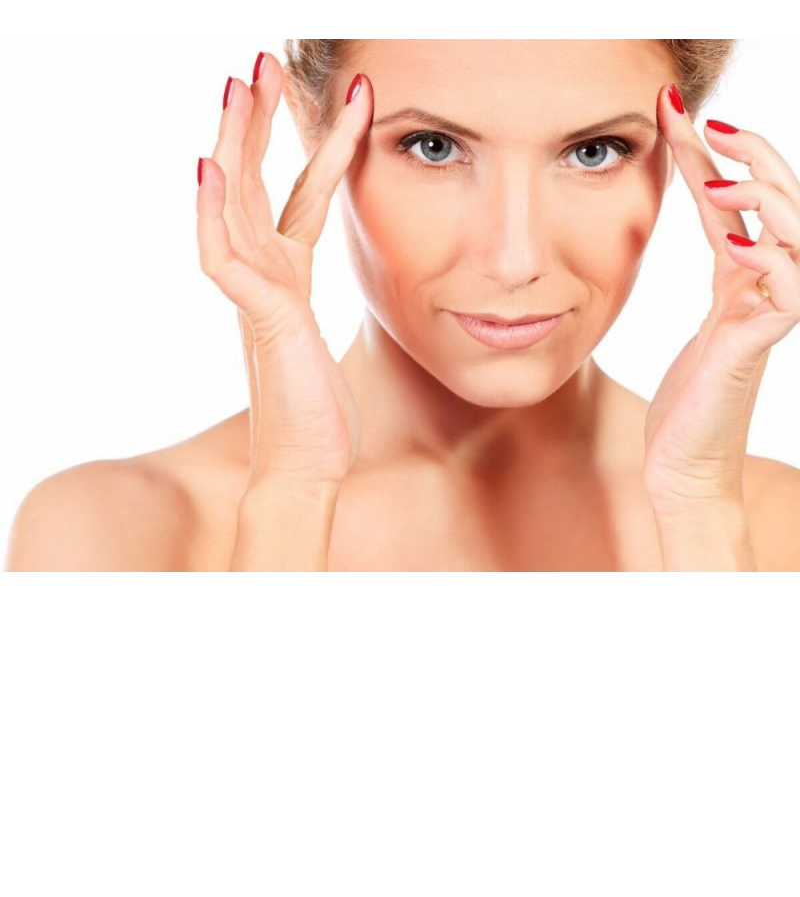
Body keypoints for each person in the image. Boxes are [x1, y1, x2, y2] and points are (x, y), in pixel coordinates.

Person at [6, 40, 800, 572]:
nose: (515, 259)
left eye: (595, 152)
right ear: (314, 128)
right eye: (434, 147)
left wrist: (699, 507)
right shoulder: (109, 533)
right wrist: (292, 490)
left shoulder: (775, 529)